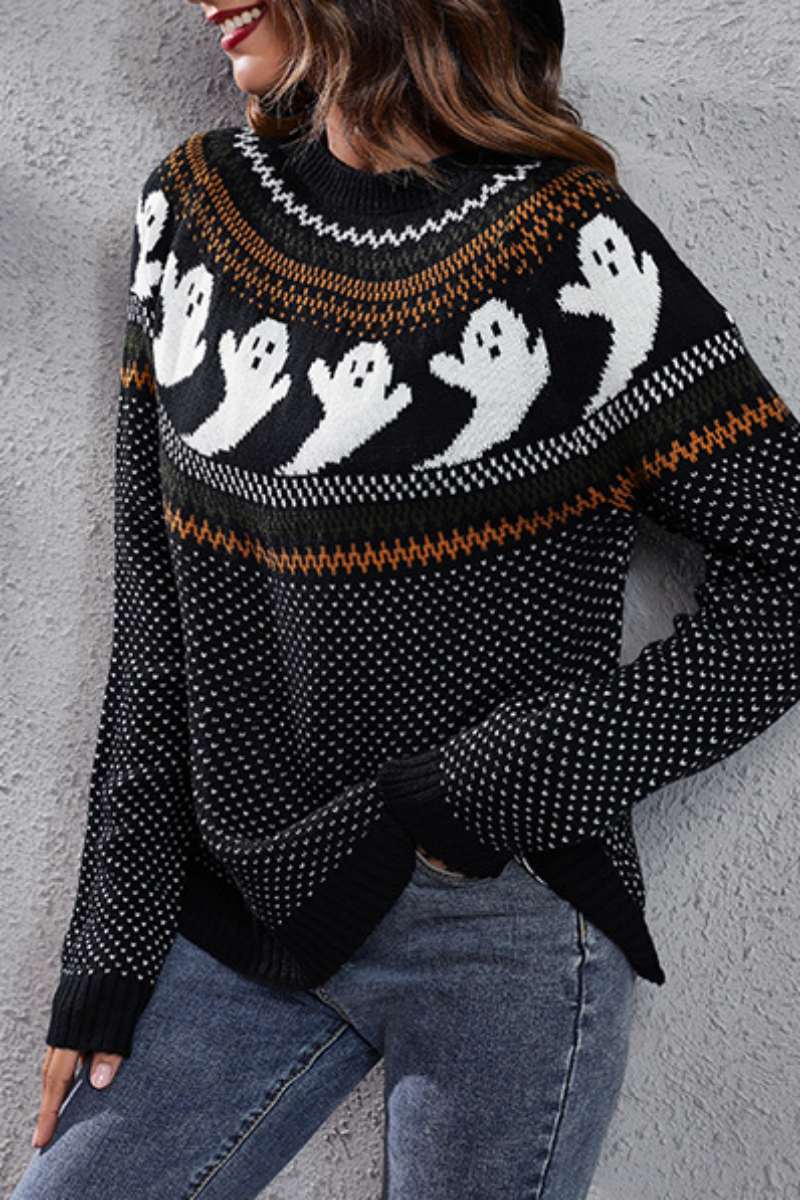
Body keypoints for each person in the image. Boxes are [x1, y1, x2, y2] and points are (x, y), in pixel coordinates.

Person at [13, 0, 800, 1196]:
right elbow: (157, 622)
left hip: (505, 920)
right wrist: (112, 947)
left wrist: (490, 787)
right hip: (244, 913)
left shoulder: (562, 241)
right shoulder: (192, 211)